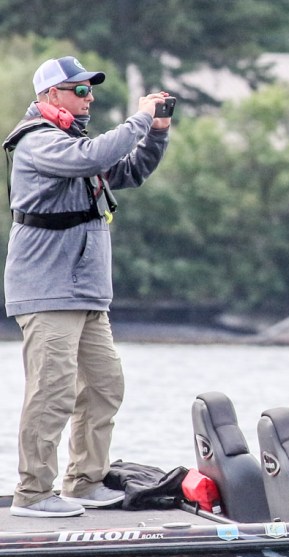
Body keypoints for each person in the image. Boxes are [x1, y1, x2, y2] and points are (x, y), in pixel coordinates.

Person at [2, 56, 172, 517]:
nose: (89, 97)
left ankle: (83, 481)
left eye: (90, 89)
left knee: (104, 387)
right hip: (47, 290)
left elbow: (130, 170)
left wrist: (157, 133)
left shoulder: (72, 144)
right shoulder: (39, 141)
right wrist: (139, 118)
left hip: (87, 293)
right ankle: (33, 494)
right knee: (51, 393)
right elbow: (93, 156)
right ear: (50, 95)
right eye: (80, 90)